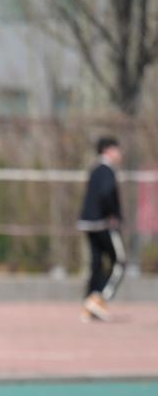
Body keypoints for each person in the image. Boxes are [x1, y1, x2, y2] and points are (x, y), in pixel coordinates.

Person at [77, 137, 125, 322]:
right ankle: (99, 299)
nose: (119, 154)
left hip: (88, 223)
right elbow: (106, 193)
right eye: (117, 150)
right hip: (103, 222)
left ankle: (89, 304)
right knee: (120, 261)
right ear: (108, 150)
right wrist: (113, 214)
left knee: (96, 264)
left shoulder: (94, 169)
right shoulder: (107, 170)